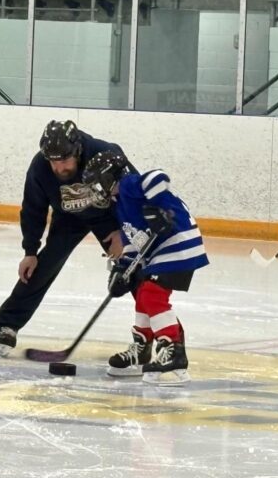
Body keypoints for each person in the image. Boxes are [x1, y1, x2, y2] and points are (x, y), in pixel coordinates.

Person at [0, 120, 130, 357]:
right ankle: (7, 325)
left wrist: (125, 235)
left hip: (108, 218)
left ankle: (154, 334)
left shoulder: (104, 152)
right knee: (41, 267)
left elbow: (133, 192)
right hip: (68, 218)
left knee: (131, 267)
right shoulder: (40, 167)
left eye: (64, 160)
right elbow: (33, 208)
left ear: (77, 151)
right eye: (53, 161)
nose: (58, 167)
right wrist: (30, 251)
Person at [82, 151, 209, 386]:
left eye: (98, 182)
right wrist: (122, 269)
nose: (96, 189)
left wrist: (158, 208)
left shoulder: (129, 185)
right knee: (142, 292)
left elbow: (159, 177)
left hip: (179, 244)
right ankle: (141, 350)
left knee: (151, 294)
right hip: (163, 250)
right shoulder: (119, 205)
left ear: (110, 177)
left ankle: (173, 350)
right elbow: (133, 241)